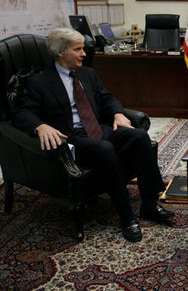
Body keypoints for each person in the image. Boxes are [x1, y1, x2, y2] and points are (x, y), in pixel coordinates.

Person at [12, 28, 174, 242]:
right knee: (104, 149)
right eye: (77, 49)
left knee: (139, 136)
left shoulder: (87, 74)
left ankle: (150, 203)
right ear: (60, 53)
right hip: (71, 138)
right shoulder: (40, 82)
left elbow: (107, 98)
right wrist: (40, 126)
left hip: (98, 129)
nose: (84, 53)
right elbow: (21, 113)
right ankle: (127, 216)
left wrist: (117, 113)